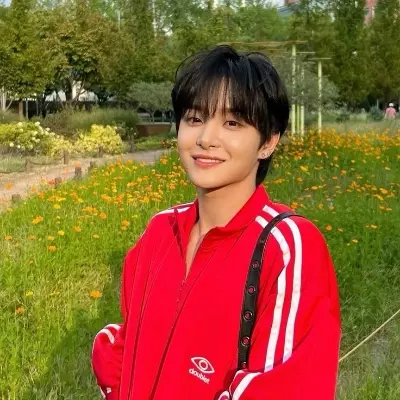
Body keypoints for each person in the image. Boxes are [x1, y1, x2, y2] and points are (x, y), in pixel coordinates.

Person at [91, 45, 341, 400]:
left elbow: (288, 386)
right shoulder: (160, 232)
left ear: (268, 142)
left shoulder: (287, 247)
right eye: (194, 119)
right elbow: (127, 349)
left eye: (232, 123)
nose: (206, 139)